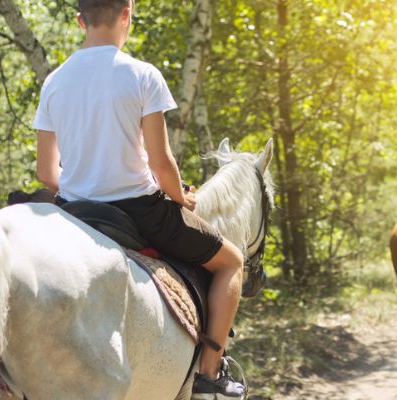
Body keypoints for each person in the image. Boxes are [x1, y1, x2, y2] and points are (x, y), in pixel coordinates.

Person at [33, 1, 246, 397]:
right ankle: (210, 373)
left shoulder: (55, 82)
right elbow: (162, 165)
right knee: (232, 262)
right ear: (127, 14)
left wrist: (85, 184)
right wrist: (181, 198)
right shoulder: (142, 75)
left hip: (75, 213)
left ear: (81, 20)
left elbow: (47, 173)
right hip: (140, 209)